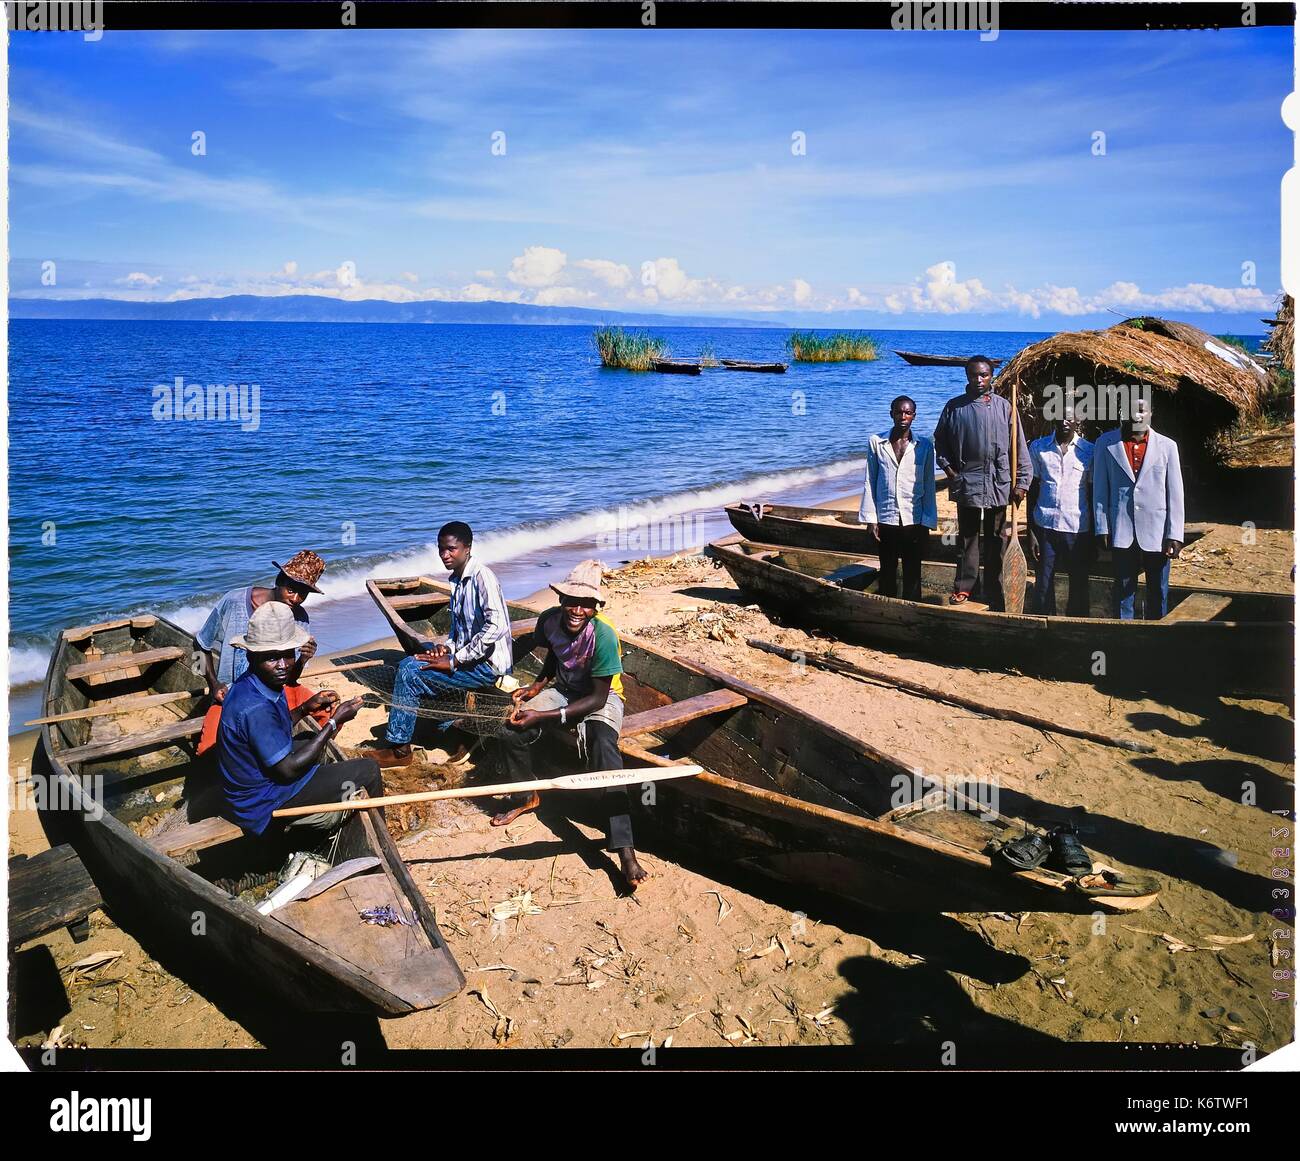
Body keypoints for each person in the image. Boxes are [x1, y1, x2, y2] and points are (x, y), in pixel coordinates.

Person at [493, 560, 646, 891]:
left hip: (598, 698)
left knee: (605, 749)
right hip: (562, 691)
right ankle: (526, 796)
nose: (577, 610)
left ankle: (625, 850)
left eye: (586, 604)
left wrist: (546, 717)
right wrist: (536, 687)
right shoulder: (549, 620)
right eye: (571, 601)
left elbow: (596, 700)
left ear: (595, 607)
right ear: (560, 600)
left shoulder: (603, 636)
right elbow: (554, 654)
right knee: (511, 728)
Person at [215, 601, 378, 836]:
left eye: (287, 655)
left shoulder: (256, 681)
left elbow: (273, 728)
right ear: (252, 656)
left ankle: (327, 809)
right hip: (260, 801)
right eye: (272, 658)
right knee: (369, 769)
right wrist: (334, 721)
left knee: (312, 739)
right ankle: (376, 849)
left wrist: (304, 709)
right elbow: (287, 771)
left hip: (253, 785)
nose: (283, 666)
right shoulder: (255, 707)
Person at [370, 522, 514, 770]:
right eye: (441, 549)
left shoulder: (482, 578)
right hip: (470, 658)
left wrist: (456, 660)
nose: (445, 555)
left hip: (488, 665)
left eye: (451, 549)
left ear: (467, 548)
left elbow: (496, 626)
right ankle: (456, 728)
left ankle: (400, 749)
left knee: (409, 672)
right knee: (412, 662)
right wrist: (448, 649)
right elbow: (461, 630)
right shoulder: (457, 580)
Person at [933, 357, 1032, 609]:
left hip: (999, 483)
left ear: (991, 376)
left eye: (984, 375)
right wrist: (950, 470)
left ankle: (995, 588)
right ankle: (965, 587)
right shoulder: (954, 407)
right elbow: (940, 442)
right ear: (967, 376)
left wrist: (1021, 482)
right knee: (967, 538)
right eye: (974, 375)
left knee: (997, 538)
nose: (979, 380)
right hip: (967, 482)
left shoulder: (1005, 407)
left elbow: (1018, 446)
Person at [1092, 394, 1184, 619]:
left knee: (1158, 589)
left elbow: (1175, 493)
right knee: (1123, 588)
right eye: (1132, 410)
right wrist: (1101, 526)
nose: (1137, 415)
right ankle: (1123, 635)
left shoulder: (1167, 447)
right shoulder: (1106, 443)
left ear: (1151, 413)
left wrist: (1175, 533)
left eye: (1142, 410)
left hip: (1157, 529)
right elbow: (1100, 490)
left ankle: (1156, 634)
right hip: (1122, 527)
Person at [196, 550, 325, 703]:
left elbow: (288, 679)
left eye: (303, 594)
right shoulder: (233, 601)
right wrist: (213, 684)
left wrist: (303, 659)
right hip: (230, 697)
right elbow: (200, 645)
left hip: (268, 701)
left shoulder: (299, 619)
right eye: (291, 590)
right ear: (279, 582)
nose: (295, 599)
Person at [858, 395, 938, 600]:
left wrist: (928, 522)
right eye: (899, 412)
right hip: (887, 516)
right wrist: (871, 519)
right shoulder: (877, 442)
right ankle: (888, 607)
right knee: (887, 568)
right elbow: (870, 480)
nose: (903, 416)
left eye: (908, 412)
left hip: (914, 518)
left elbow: (929, 485)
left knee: (913, 569)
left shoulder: (925, 446)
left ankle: (913, 609)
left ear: (914, 416)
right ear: (891, 414)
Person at [1026, 400, 1094, 616]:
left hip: (1077, 528)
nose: (1065, 421)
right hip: (1045, 525)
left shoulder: (1089, 452)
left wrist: (1094, 533)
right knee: (1044, 583)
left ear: (1078, 420)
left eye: (1070, 417)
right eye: (1061, 416)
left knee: (1079, 582)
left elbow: (1092, 495)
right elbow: (1033, 490)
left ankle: (1076, 628)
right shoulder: (1038, 448)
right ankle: (1043, 627)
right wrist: (1031, 531)